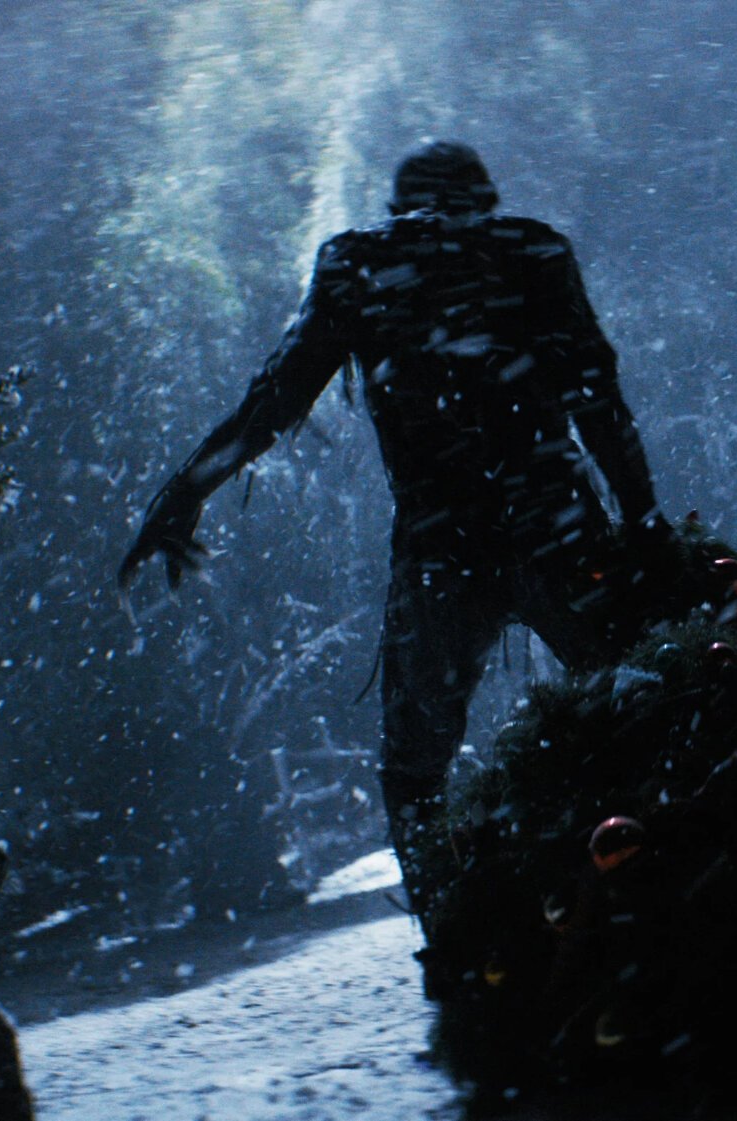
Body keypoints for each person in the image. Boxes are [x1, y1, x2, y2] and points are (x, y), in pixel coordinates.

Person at [119, 140, 669, 904]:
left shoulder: (361, 265)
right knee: (647, 709)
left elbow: (275, 400)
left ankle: (453, 934)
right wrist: (644, 521)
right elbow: (598, 402)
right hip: (557, 531)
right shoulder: (530, 252)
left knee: (416, 772)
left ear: (400, 206)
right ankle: (660, 890)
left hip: (445, 547)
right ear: (485, 200)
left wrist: (187, 490)